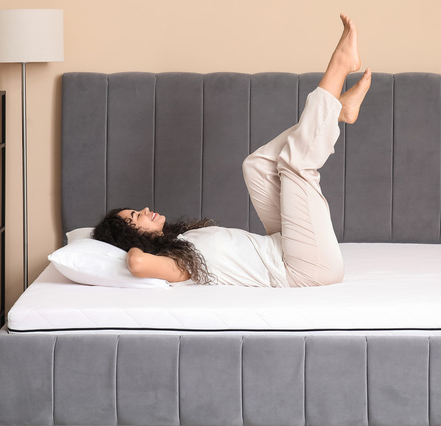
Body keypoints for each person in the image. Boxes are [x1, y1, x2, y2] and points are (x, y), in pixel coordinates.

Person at [94, 14, 371, 287]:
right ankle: (340, 65)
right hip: (306, 269)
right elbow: (137, 264)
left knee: (256, 166)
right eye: (134, 218)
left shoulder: (180, 241)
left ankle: (336, 113)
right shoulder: (175, 263)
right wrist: (128, 248)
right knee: (295, 165)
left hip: (285, 249)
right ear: (133, 237)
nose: (143, 210)